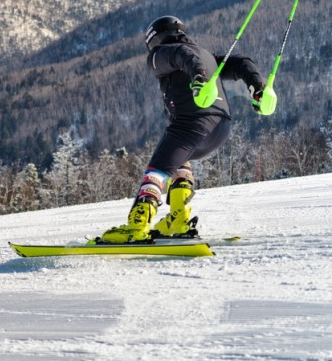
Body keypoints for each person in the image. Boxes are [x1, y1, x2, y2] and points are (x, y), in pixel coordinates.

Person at [100, 15, 266, 243]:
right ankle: (179, 219)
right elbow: (241, 63)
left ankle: (137, 225)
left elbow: (181, 54)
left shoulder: (159, 55)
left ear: (156, 39)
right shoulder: (207, 56)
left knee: (157, 170)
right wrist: (258, 86)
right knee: (179, 162)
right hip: (221, 129)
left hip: (191, 124)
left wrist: (198, 75)